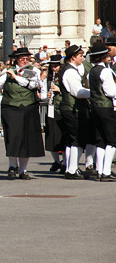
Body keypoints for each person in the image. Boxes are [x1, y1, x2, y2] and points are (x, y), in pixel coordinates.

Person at [0, 47, 45, 179]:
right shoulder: (6, 72)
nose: (25, 61)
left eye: (27, 58)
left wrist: (15, 76)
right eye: (22, 59)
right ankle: (12, 165)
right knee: (13, 137)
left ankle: (23, 170)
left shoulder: (34, 71)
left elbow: (31, 85)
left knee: (27, 139)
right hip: (11, 108)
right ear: (16, 59)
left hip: (28, 107)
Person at [57, 45, 90, 179]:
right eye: (80, 56)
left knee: (73, 139)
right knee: (77, 138)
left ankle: (71, 168)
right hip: (72, 108)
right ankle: (72, 169)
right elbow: (77, 92)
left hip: (70, 107)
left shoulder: (71, 70)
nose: (82, 58)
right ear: (73, 57)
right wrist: (95, 93)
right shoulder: (70, 71)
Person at [87, 43, 116, 181]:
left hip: (95, 106)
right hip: (106, 106)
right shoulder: (106, 71)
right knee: (112, 139)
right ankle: (106, 171)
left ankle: (99, 169)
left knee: (100, 139)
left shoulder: (91, 72)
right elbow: (110, 92)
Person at [40, 54, 66, 173]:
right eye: (52, 66)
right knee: (51, 137)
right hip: (51, 110)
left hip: (62, 109)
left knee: (63, 136)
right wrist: (47, 95)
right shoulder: (48, 79)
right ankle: (56, 161)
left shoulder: (65, 76)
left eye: (56, 66)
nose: (54, 68)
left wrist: (59, 90)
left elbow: (71, 91)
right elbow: (43, 94)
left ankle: (65, 162)